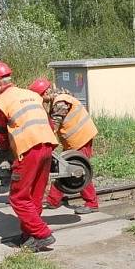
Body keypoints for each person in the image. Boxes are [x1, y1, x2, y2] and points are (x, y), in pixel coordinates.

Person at [0, 62, 59, 251]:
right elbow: (50, 124)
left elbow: (1, 132)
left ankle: (42, 234)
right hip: (47, 145)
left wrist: (2, 151)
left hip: (28, 150)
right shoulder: (32, 95)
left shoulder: (0, 102)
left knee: (18, 198)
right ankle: (29, 236)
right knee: (34, 195)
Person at [29, 78, 99, 214]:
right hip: (76, 138)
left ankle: (92, 203)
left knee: (79, 170)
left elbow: (53, 126)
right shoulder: (61, 97)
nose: (42, 101)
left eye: (41, 98)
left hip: (81, 138)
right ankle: (53, 200)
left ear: (45, 93)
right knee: (63, 168)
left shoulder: (60, 102)